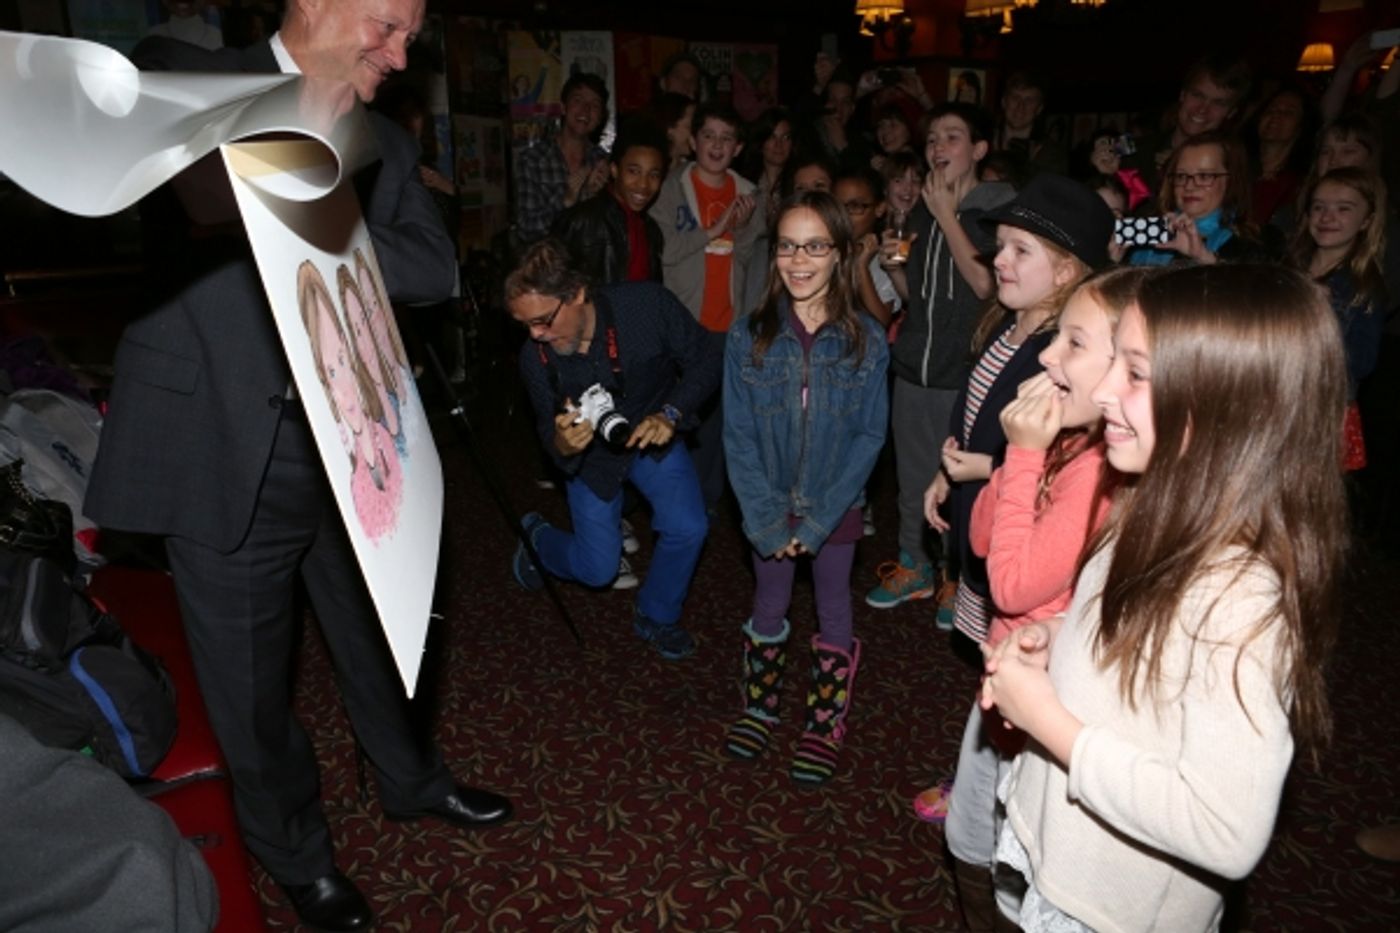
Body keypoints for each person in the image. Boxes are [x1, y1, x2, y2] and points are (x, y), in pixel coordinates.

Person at [83, 4, 512, 930]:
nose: (402, 57)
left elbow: (434, 266)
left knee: (390, 640)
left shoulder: (383, 145)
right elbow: (132, 99)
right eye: (390, 27)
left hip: (353, 448)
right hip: (219, 446)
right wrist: (277, 171)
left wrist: (298, 205)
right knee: (248, 690)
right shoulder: (191, 83)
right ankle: (296, 854)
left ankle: (410, 779)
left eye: (411, 39)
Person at [984, 263, 1347, 932]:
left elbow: (1226, 830)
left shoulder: (1238, 593)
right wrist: (1059, 635)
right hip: (1067, 858)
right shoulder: (1153, 494)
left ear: (1223, 400)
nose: (1107, 389)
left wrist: (1046, 719)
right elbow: (1142, 640)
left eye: (1136, 372)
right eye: (1113, 360)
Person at [936, 267, 1148, 929]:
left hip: (1051, 701)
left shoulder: (1096, 472)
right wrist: (1020, 456)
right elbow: (978, 534)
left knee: (1020, 871)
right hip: (1008, 678)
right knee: (968, 841)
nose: (1049, 356)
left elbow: (1012, 583)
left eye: (1072, 344)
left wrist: (1022, 455)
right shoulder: (1068, 439)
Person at [721, 191, 888, 785]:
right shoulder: (747, 337)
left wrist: (817, 523)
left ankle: (823, 723)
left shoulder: (867, 339)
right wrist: (766, 520)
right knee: (767, 606)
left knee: (834, 609)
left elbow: (870, 439)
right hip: (766, 505)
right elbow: (737, 438)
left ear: (842, 254)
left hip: (835, 507)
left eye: (815, 246)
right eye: (788, 246)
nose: (799, 259)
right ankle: (761, 707)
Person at [508, 239, 720, 660]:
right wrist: (561, 444)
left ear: (578, 294)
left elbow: (706, 358)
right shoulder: (535, 358)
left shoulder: (647, 306)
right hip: (593, 458)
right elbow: (545, 429)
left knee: (689, 526)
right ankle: (539, 541)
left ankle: (657, 615)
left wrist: (671, 413)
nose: (536, 336)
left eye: (544, 322)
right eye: (526, 325)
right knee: (597, 571)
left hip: (650, 429)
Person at [865, 103, 1014, 614]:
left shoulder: (996, 208)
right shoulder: (924, 213)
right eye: (932, 139)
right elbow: (917, 300)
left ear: (978, 150)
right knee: (911, 482)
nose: (938, 148)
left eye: (952, 137)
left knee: (962, 485)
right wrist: (896, 268)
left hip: (966, 376)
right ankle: (915, 566)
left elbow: (984, 285)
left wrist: (949, 216)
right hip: (914, 370)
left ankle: (957, 578)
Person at [650, 102, 761, 510]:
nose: (717, 145)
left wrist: (743, 230)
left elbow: (749, 259)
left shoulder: (749, 193)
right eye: (709, 135)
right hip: (683, 321)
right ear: (694, 141)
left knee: (717, 422)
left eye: (726, 138)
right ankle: (671, 500)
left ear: (738, 147)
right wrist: (713, 229)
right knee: (673, 414)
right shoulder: (669, 188)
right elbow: (665, 253)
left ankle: (706, 500)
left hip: (728, 324)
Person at [1291, 167, 1389, 471]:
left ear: (1367, 220)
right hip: (1275, 396)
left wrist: (1323, 318)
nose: (1326, 216)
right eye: (1318, 207)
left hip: (1319, 412)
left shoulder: (1363, 287)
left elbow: (1361, 361)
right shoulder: (1289, 267)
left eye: (1343, 209)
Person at [551, 123, 668, 286]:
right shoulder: (584, 221)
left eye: (653, 175)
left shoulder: (650, 229)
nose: (643, 184)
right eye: (634, 171)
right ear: (614, 170)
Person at [1127, 132, 1267, 266]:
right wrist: (1112, 259)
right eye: (1181, 176)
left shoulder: (1253, 243)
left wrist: (1204, 258)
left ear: (1231, 182)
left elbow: (1246, 288)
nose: (1189, 186)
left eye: (1205, 176)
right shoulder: (1150, 230)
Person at [1121, 55, 1252, 195]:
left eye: (1218, 103)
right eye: (1197, 95)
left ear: (1231, 113)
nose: (1202, 109)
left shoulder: (1233, 169)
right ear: (1182, 95)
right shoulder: (1134, 150)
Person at [514, 72, 610, 245]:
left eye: (594, 105)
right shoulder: (533, 160)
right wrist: (565, 201)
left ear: (601, 117)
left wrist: (594, 197)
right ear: (563, 107)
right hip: (549, 269)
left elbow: (610, 232)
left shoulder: (604, 163)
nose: (586, 110)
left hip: (591, 268)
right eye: (578, 100)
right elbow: (526, 230)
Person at [989, 72, 1067, 180]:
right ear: (1003, 102)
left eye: (1029, 100)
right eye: (1015, 98)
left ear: (1039, 109)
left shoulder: (1051, 153)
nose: (1021, 106)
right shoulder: (983, 141)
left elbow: (1050, 192)